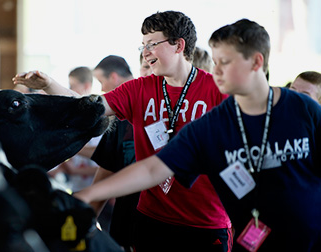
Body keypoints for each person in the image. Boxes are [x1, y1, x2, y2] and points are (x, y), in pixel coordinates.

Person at [73, 19, 321, 252]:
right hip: (250, 241)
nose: (217, 70)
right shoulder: (211, 124)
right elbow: (152, 169)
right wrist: (88, 195)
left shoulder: (304, 110)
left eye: (226, 62)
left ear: (256, 62)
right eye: (215, 62)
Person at [13, 11, 232, 251]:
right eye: (143, 46)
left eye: (152, 44)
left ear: (178, 45)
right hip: (152, 220)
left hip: (206, 224)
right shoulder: (139, 89)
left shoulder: (217, 90)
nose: (145, 52)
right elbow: (89, 108)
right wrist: (48, 84)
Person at [88, 55, 137, 251]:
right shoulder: (119, 118)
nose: (101, 88)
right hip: (127, 224)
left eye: (101, 82)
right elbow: (107, 164)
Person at [48, 66, 101, 193]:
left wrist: (75, 171)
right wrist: (59, 169)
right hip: (76, 188)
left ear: (86, 86)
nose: (69, 90)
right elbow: (73, 158)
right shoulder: (75, 120)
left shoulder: (98, 124)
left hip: (94, 191)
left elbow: (105, 163)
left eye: (72, 85)